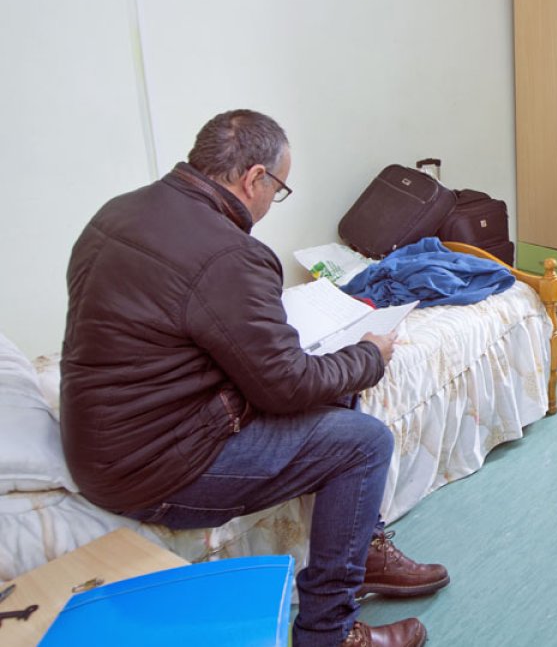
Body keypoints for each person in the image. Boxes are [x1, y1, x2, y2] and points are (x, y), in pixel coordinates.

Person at [60, 109, 446, 647]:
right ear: (254, 178)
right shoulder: (229, 253)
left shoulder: (117, 213)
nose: (271, 202)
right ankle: (328, 633)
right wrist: (370, 353)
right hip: (151, 466)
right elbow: (285, 387)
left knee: (334, 383)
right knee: (363, 441)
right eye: (279, 188)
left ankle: (363, 554)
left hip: (104, 440)